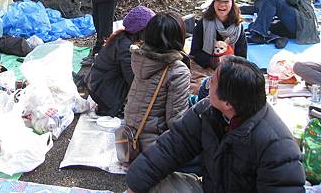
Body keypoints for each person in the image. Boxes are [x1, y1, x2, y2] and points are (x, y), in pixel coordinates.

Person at [125, 56, 305, 193]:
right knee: (156, 183)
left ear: (228, 103)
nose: (207, 82)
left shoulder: (277, 146)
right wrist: (134, 186)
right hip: (210, 188)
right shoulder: (207, 110)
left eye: (213, 81)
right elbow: (171, 147)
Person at [124, 12, 190, 152]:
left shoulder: (140, 58)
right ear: (179, 38)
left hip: (129, 138)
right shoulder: (177, 70)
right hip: (154, 148)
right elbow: (176, 121)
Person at [83, 6, 155, 118]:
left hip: (97, 84)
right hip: (102, 90)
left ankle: (109, 106)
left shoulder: (122, 37)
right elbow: (132, 78)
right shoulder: (125, 46)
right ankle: (111, 107)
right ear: (141, 30)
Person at [189, 0, 246, 93]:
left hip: (229, 68)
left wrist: (229, 63)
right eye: (218, 1)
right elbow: (194, 53)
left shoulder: (238, 28)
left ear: (232, 4)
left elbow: (242, 56)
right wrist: (215, 61)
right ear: (213, 3)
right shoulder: (203, 24)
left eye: (226, 2)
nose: (222, 5)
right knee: (203, 90)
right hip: (204, 67)